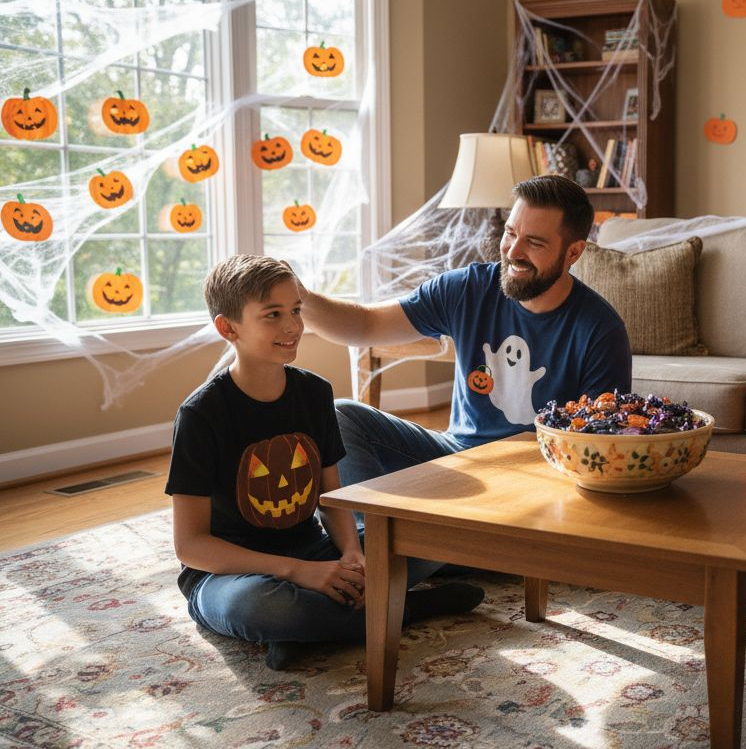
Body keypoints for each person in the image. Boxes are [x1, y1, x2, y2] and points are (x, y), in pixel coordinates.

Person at [166, 255, 483, 671]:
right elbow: (190, 546)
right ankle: (404, 609)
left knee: (432, 534)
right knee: (261, 608)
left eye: (295, 311)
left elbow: (332, 497)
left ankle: (308, 629)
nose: (292, 326)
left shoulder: (314, 393)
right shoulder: (201, 415)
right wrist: (297, 572)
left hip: (316, 551)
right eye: (273, 315)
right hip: (232, 576)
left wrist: (352, 553)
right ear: (229, 328)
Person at [297, 174, 632, 487]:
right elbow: (367, 325)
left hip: (537, 476)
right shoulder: (467, 289)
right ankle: (367, 543)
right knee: (342, 416)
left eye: (534, 243)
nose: (513, 252)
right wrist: (303, 299)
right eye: (511, 233)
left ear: (573, 252)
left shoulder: (600, 331)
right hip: (456, 455)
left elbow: (597, 448)